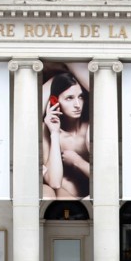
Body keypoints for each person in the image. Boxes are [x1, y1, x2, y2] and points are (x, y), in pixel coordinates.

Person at [42, 69, 91, 199]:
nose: (77, 105)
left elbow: (105, 178)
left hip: (91, 199)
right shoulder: (46, 130)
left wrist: (77, 161)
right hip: (62, 200)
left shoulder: (90, 129)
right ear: (54, 101)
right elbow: (54, 182)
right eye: (69, 98)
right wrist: (54, 133)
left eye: (80, 97)